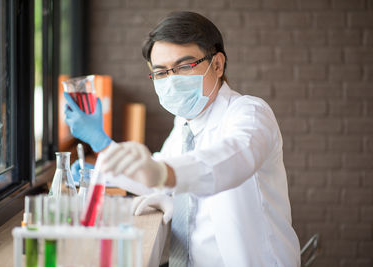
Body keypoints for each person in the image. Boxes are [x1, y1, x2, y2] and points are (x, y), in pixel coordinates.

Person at [64, 11, 300, 267]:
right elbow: (159, 177)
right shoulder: (184, 127)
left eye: (185, 66)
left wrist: (159, 171)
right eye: (161, 72)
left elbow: (228, 161)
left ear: (218, 65)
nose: (172, 80)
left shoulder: (250, 113)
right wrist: (102, 148)